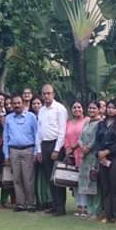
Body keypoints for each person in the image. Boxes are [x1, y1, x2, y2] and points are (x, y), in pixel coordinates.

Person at [3, 94, 39, 211]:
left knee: (28, 178)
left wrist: (36, 152)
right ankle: (20, 203)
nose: (17, 105)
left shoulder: (31, 117)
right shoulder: (9, 118)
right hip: (13, 151)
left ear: (23, 103)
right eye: (14, 103)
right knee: (17, 178)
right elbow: (6, 137)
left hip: (28, 150)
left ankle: (31, 203)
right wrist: (6, 155)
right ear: (12, 105)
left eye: (19, 103)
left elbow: (37, 135)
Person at [36, 84, 68, 215]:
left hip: (56, 145)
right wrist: (39, 150)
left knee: (58, 178)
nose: (46, 96)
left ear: (53, 94)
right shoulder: (42, 110)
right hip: (44, 145)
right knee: (49, 177)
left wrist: (56, 149)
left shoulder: (60, 109)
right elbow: (39, 131)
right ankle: (54, 205)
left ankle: (61, 208)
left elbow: (62, 131)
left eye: (49, 93)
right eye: (44, 94)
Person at [95, 100, 116, 225]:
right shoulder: (101, 124)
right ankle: (107, 215)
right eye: (109, 107)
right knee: (106, 187)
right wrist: (99, 153)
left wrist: (108, 151)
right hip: (102, 159)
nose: (110, 110)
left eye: (113, 108)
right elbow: (97, 140)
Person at [76, 101, 103, 219]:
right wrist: (82, 147)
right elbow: (80, 137)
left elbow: (96, 139)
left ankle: (96, 210)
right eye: (90, 108)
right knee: (86, 183)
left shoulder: (100, 123)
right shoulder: (87, 122)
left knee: (94, 182)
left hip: (94, 156)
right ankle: (89, 209)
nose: (91, 110)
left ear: (98, 109)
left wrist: (88, 148)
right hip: (84, 157)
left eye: (94, 108)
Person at [63, 101, 88, 216]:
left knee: (84, 181)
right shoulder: (69, 123)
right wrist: (68, 149)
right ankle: (78, 205)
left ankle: (86, 206)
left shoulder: (87, 121)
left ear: (83, 109)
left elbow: (86, 136)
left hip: (84, 154)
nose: (77, 109)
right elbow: (66, 137)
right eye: (74, 107)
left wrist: (77, 146)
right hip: (72, 155)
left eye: (79, 107)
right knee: (75, 182)